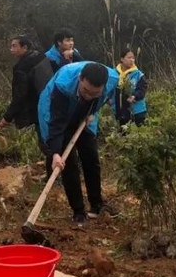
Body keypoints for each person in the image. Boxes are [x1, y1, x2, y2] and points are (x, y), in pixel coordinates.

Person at [38, 61, 119, 226]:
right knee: (68, 165)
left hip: (85, 117)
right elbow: (56, 122)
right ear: (80, 79)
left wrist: (91, 111)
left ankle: (97, 205)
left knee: (91, 158)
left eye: (94, 93)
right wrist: (54, 153)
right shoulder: (63, 85)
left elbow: (102, 99)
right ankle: (78, 212)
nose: (88, 95)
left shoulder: (112, 79)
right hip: (56, 114)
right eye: (85, 91)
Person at [1, 35, 53, 131]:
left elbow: (20, 95)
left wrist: (8, 116)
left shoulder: (21, 68)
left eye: (14, 46)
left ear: (24, 47)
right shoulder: (42, 57)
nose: (11, 49)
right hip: (48, 106)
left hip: (30, 113)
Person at [114, 48, 148, 127]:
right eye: (129, 58)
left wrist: (134, 96)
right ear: (122, 59)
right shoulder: (114, 74)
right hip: (120, 112)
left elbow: (142, 89)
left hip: (137, 111)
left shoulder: (138, 74)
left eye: (133, 58)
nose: (132, 60)